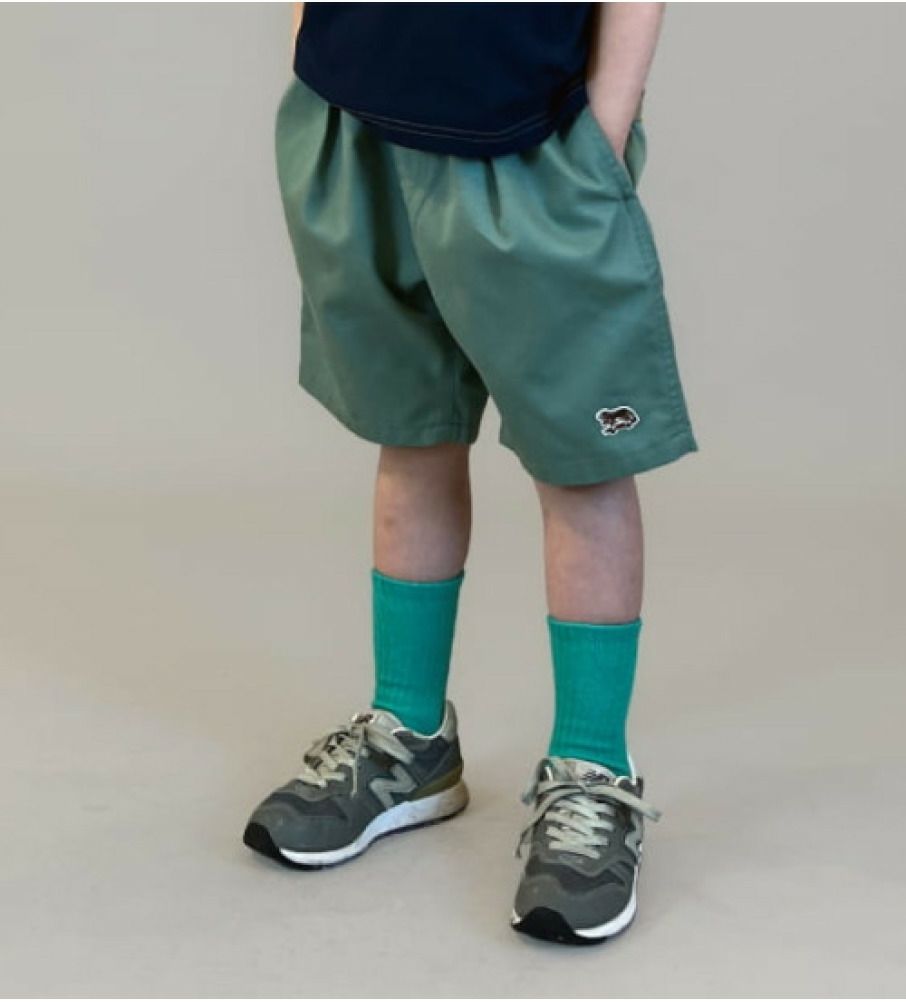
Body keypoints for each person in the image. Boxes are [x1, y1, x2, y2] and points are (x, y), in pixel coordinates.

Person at [243, 2, 697, 946]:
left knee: (581, 467)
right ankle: (409, 736)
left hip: (531, 138)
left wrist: (605, 132)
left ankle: (591, 770)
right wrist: (309, 48)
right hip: (357, 123)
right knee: (410, 433)